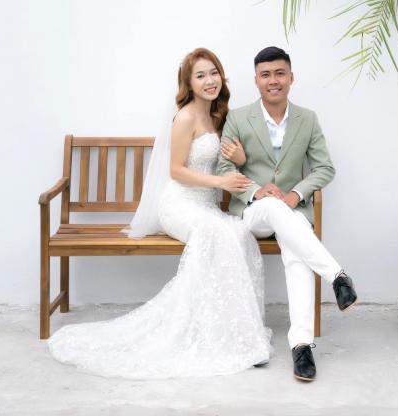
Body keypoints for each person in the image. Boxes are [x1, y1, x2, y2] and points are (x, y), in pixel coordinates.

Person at [48, 48, 272, 378]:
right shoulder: (184, 118)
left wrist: (239, 162)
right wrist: (219, 181)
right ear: (189, 84)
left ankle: (234, 329)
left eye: (213, 73)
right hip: (179, 204)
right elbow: (176, 171)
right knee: (214, 232)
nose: (209, 80)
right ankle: (198, 327)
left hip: (206, 205)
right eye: (200, 76)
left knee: (236, 233)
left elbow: (229, 162)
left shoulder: (219, 116)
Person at [218, 46, 357, 382]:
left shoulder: (307, 119)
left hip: (292, 214)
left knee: (297, 255)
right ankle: (336, 276)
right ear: (256, 80)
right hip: (253, 213)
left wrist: (296, 194)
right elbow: (223, 169)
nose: (273, 80)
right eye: (265, 75)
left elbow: (325, 168)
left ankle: (302, 346)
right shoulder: (238, 118)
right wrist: (255, 190)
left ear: (291, 77)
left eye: (280, 73)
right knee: (271, 205)